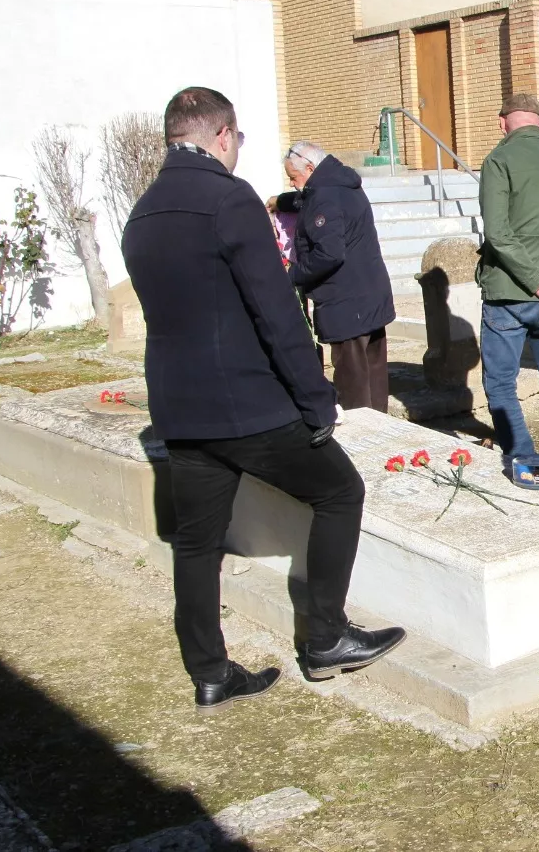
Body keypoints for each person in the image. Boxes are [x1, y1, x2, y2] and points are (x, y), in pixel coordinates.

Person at [121, 87, 404, 713]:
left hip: (179, 408)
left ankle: (210, 673)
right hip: (247, 403)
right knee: (340, 492)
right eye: (239, 140)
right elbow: (274, 309)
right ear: (223, 135)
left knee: (197, 543)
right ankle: (325, 637)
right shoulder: (228, 198)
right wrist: (316, 398)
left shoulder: (142, 211)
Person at [476, 93, 539, 470]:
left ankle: (524, 460)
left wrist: (535, 280)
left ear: (502, 123)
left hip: (510, 292)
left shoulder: (499, 160)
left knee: (501, 384)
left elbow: (497, 233)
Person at [273, 142, 396, 413]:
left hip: (346, 302)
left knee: (353, 382)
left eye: (294, 177)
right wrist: (280, 202)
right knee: (373, 372)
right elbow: (307, 202)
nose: (293, 184)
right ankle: (381, 427)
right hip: (370, 294)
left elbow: (328, 254)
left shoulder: (324, 197)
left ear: (310, 168)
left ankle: (363, 432)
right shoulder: (340, 184)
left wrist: (292, 275)